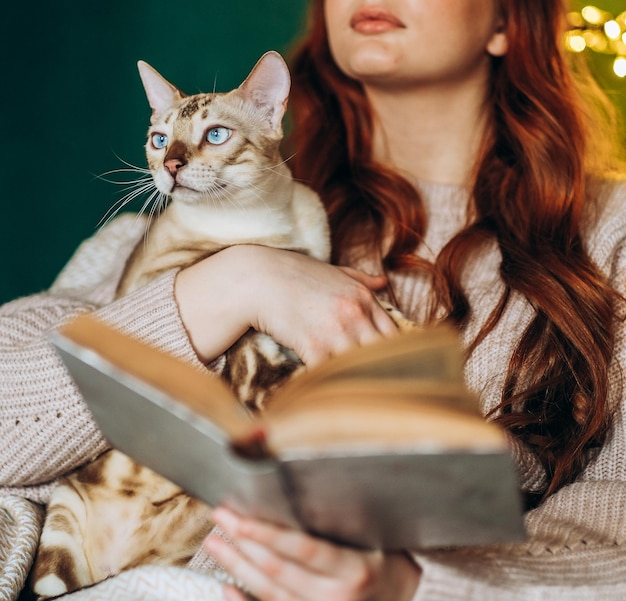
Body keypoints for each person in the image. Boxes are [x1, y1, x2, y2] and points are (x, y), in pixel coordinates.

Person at [2, 0, 626, 599]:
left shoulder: (610, 236)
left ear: (507, 19)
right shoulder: (178, 223)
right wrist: (239, 283)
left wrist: (413, 586)